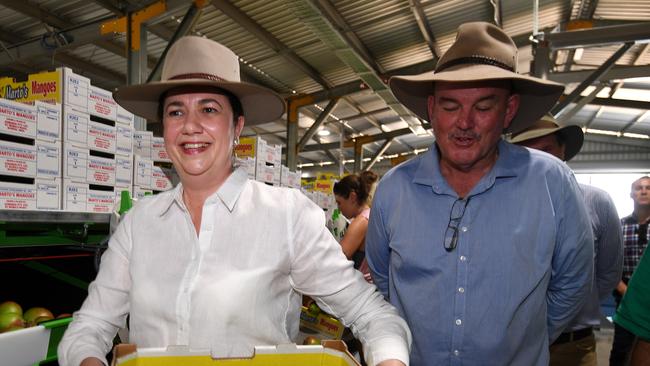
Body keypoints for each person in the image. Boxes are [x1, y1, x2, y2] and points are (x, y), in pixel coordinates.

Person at [57, 36, 411, 366]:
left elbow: (371, 314)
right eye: (176, 111)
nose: (190, 126)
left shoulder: (285, 215)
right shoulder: (139, 222)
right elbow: (90, 326)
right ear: (163, 126)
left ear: (237, 126)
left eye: (209, 109)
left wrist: (388, 358)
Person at [365, 21, 594, 366]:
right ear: (431, 110)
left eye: (484, 107)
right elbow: (383, 281)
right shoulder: (394, 188)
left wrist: (523, 341)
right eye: (450, 106)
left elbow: (573, 283)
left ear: (509, 111)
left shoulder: (551, 182)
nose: (465, 123)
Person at [509, 114, 624, 366]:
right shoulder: (500, 207)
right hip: (512, 349)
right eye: (527, 151)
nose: (539, 159)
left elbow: (607, 274)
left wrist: (572, 305)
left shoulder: (597, 202)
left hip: (574, 347)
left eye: (547, 149)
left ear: (563, 151)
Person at [610, 175, 650, 365]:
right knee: (621, 350)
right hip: (625, 295)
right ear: (631, 194)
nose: (643, 191)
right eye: (638, 188)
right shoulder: (620, 226)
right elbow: (609, 263)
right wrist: (625, 290)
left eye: (648, 187)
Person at [333, 171, 379, 282]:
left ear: (353, 197)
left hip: (363, 287)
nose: (339, 208)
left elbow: (337, 258)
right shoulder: (370, 214)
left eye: (339, 203)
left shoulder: (361, 221)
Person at [614, 247, 650, 366]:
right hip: (628, 295)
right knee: (620, 350)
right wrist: (625, 290)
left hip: (637, 296)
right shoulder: (623, 228)